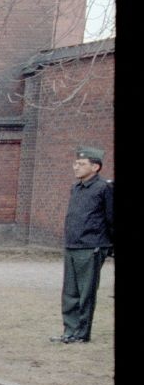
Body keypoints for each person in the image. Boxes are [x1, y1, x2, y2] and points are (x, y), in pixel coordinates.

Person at [51, 145, 112, 344]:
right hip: (72, 245)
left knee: (86, 293)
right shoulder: (76, 187)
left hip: (91, 246)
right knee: (70, 292)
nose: (75, 167)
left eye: (81, 164)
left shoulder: (104, 188)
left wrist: (108, 246)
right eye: (75, 163)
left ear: (95, 167)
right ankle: (69, 330)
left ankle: (82, 333)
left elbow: (111, 218)